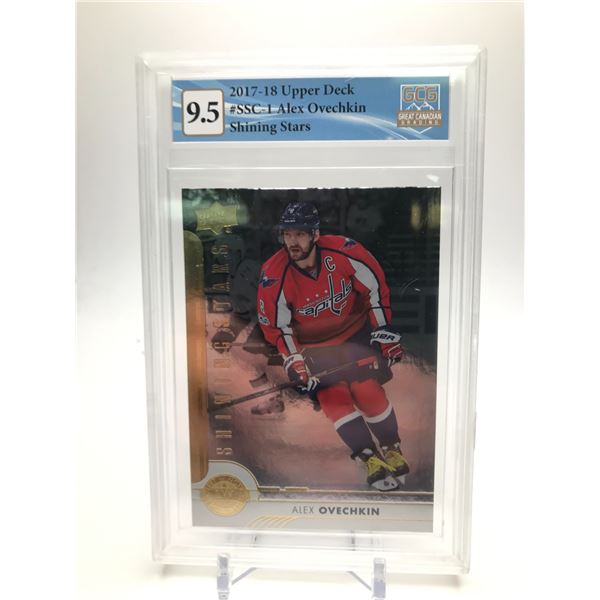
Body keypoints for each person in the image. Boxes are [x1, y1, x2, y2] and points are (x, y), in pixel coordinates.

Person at [257, 202, 409, 491]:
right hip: (312, 348)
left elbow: (374, 290)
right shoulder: (273, 275)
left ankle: (392, 447)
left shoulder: (345, 252)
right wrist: (294, 360)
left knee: (366, 390)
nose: (292, 242)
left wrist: (383, 333)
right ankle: (367, 456)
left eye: (300, 234)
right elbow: (278, 327)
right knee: (333, 396)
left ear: (315, 234)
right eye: (287, 234)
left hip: (354, 334)